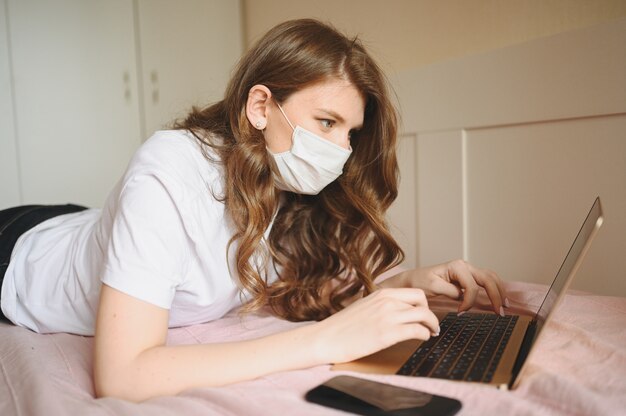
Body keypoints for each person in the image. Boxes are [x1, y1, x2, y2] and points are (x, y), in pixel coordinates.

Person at [0, 19, 508, 401]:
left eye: (349, 134)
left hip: (87, 224)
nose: (340, 149)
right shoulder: (169, 168)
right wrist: (321, 341)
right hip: (22, 251)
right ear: (261, 107)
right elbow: (123, 376)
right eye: (327, 122)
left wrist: (407, 282)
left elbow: (298, 281)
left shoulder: (281, 177)